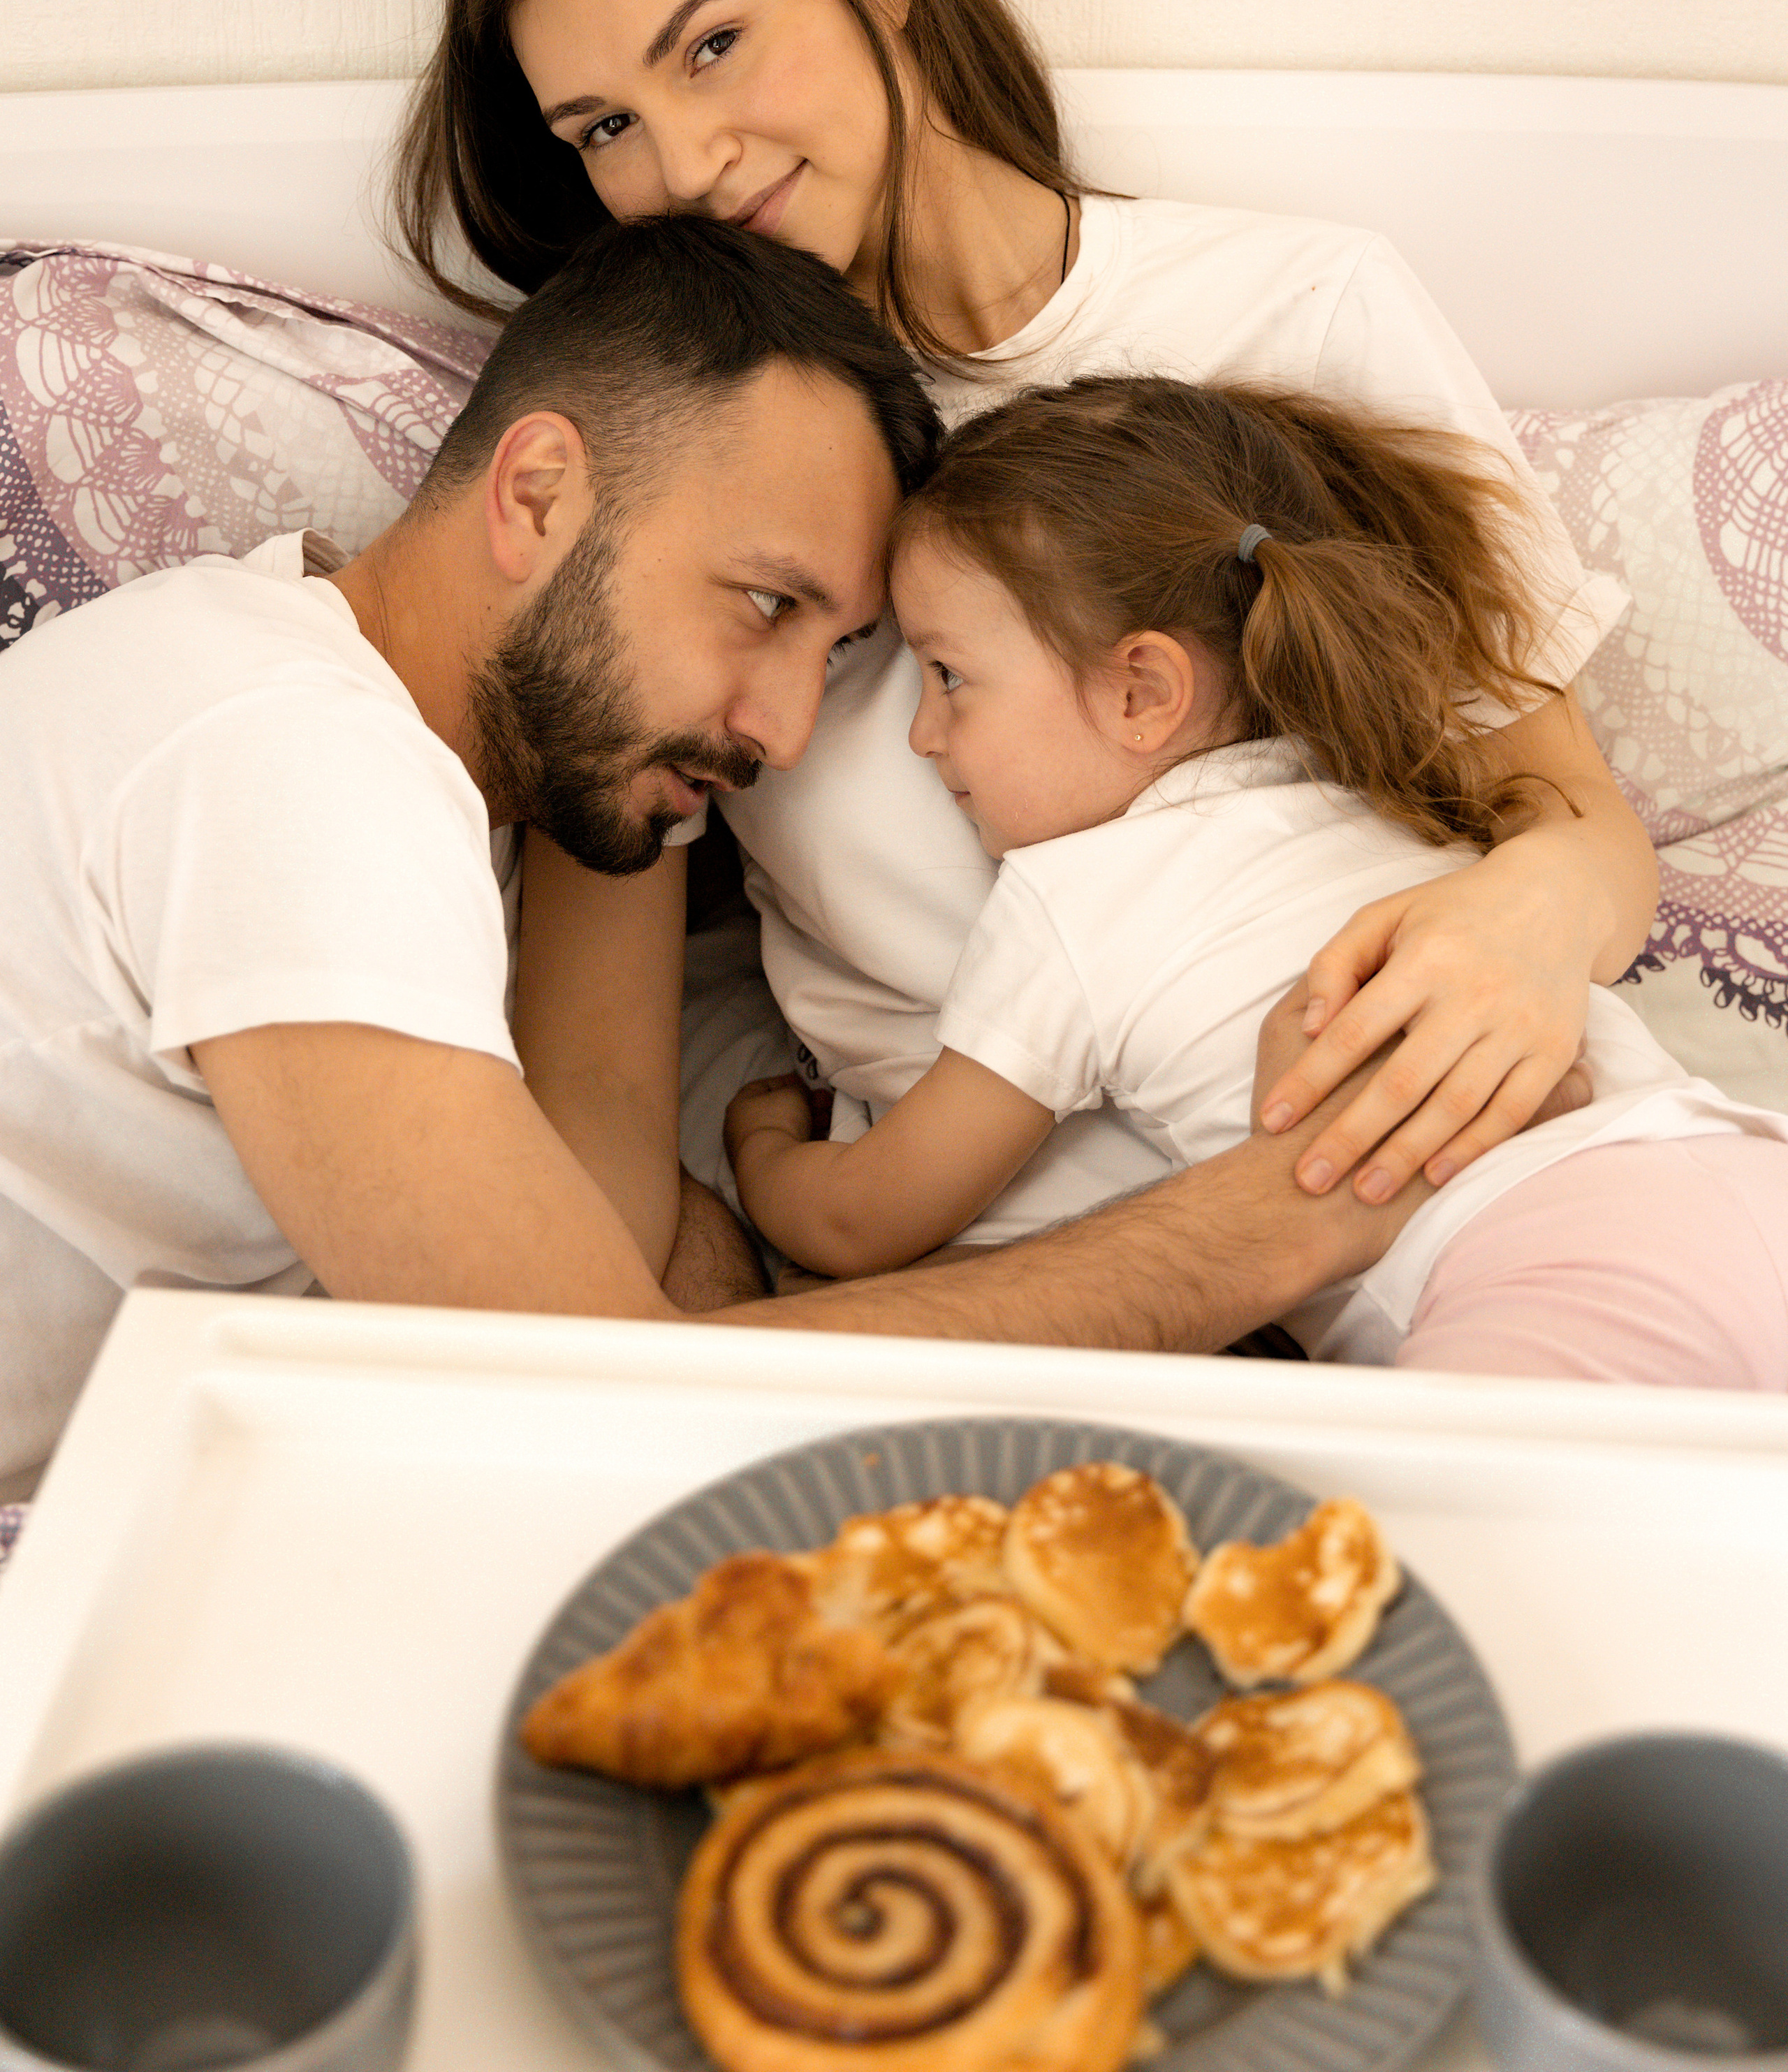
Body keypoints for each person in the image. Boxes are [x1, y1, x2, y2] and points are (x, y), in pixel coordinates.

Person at [391, 0, 1657, 1262]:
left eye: (712, 45)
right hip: (989, 1296)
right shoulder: (678, 449)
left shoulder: (1300, 312)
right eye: (606, 130)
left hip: (1428, 1214)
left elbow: (1575, 827)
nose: (685, 166)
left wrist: (1519, 926)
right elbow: (596, 1063)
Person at [0, 217, 1421, 1503]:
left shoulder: (465, 755)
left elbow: (604, 1193)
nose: (787, 732)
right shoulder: (281, 749)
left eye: (838, 651)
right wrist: (1253, 1232)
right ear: (539, 492)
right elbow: (580, 1390)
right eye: (761, 602)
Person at [724, 377, 1788, 1385]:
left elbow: (871, 1217)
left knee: (1456, 1560)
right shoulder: (1380, 792)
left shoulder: (1074, 899)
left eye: (950, 677)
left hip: (1537, 1258)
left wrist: (763, 1153)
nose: (922, 735)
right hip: (1728, 1161)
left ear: (1144, 688)